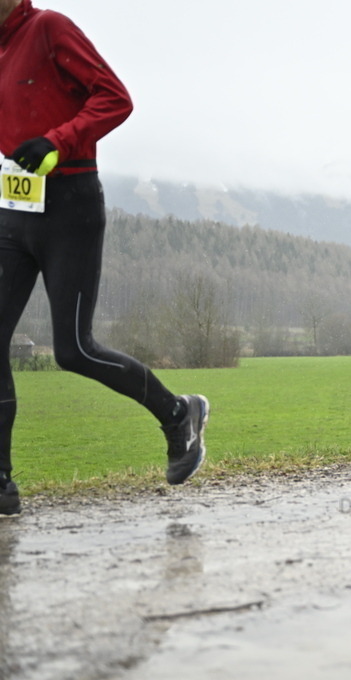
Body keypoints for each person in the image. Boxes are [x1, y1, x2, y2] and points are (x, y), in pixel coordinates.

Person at [0, 0, 208, 516]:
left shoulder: (49, 28)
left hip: (70, 208)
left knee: (73, 349)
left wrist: (57, 140)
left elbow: (115, 98)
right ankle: (1, 482)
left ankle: (178, 414)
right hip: (13, 209)